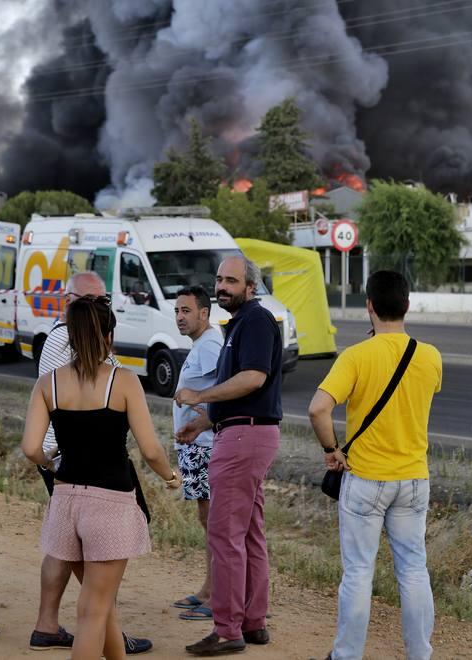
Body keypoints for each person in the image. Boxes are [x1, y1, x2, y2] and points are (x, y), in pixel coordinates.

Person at [22, 295, 182, 660]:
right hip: (109, 505)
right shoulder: (123, 381)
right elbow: (152, 450)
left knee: (102, 602)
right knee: (93, 610)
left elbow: (31, 447)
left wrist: (50, 462)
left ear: (71, 337)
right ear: (109, 336)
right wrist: (171, 478)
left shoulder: (48, 384)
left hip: (65, 503)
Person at [308, 270, 442, 660]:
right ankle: (420, 653)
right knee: (414, 569)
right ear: (407, 305)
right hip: (414, 479)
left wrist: (331, 450)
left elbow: (318, 408)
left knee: (359, 572)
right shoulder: (430, 356)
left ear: (369, 306)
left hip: (365, 480)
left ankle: (347, 654)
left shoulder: (355, 356)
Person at [175, 256, 282, 657]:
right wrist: (204, 421)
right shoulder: (239, 324)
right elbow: (245, 389)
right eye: (219, 279)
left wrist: (200, 396)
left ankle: (227, 629)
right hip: (244, 433)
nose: (222, 286)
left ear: (251, 288)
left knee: (225, 535)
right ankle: (253, 623)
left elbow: (254, 378)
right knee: (249, 532)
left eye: (231, 281)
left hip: (243, 440)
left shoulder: (255, 321)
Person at [172, 287, 223, 621]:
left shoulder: (211, 345)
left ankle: (219, 593)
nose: (180, 317)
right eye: (177, 311)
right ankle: (209, 587)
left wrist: (202, 415)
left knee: (215, 521)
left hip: (205, 445)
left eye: (187, 311)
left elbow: (227, 388)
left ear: (204, 312)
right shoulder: (200, 346)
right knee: (206, 519)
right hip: (194, 446)